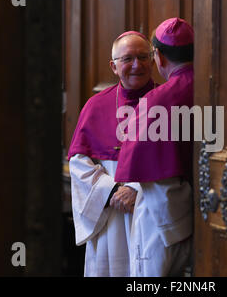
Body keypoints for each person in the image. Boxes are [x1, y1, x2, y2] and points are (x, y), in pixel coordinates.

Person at [67, 31, 155, 277]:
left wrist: (137, 189)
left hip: (152, 209)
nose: (137, 65)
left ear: (154, 60)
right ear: (114, 66)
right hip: (110, 216)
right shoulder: (96, 105)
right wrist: (113, 191)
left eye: (143, 57)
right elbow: (78, 163)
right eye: (127, 59)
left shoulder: (169, 102)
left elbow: (180, 159)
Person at [115, 17, 195, 277]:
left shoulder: (157, 99)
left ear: (157, 56)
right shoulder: (212, 88)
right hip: (205, 215)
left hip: (163, 219)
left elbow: (143, 163)